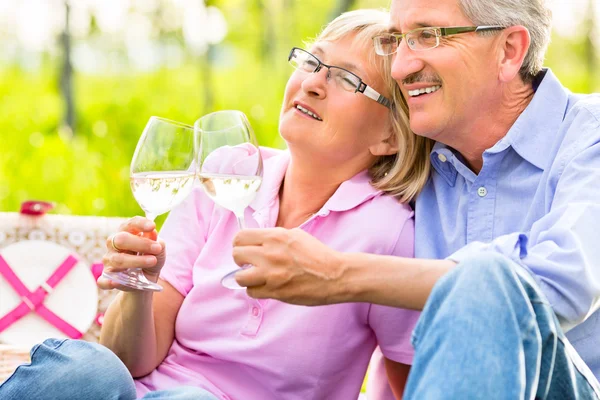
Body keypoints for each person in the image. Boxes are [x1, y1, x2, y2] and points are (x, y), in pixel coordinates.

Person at [0, 9, 433, 400]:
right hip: (144, 392)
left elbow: (406, 381)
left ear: (390, 136)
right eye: (312, 61)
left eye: (347, 78)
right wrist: (139, 286)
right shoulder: (229, 170)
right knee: (90, 369)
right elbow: (128, 363)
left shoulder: (389, 231)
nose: (313, 82)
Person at [232, 0, 600, 399]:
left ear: (509, 50)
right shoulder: (409, 165)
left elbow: (566, 279)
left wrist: (340, 275)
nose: (400, 66)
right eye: (398, 40)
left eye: (428, 36)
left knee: (488, 280)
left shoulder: (587, 136)